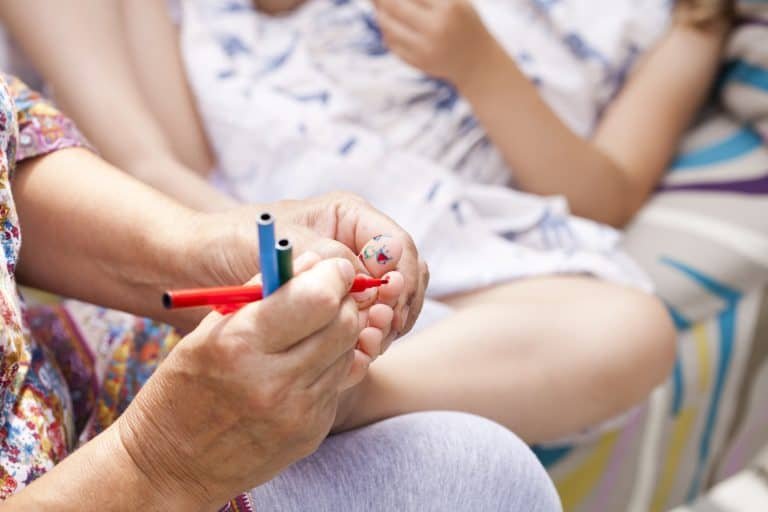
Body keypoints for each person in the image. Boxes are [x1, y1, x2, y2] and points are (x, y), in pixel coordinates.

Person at [2, 0, 723, 441]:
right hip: (228, 137)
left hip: (443, 215)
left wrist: (478, 66)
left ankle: (343, 394)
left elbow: (606, 195)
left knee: (632, 330)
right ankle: (152, 179)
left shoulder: (687, 20)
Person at [0, 74, 562, 510]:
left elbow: (13, 147)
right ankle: (344, 400)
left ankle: (344, 398)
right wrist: (158, 464)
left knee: (440, 351)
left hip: (63, 373)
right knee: (485, 479)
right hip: (96, 482)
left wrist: (193, 250)